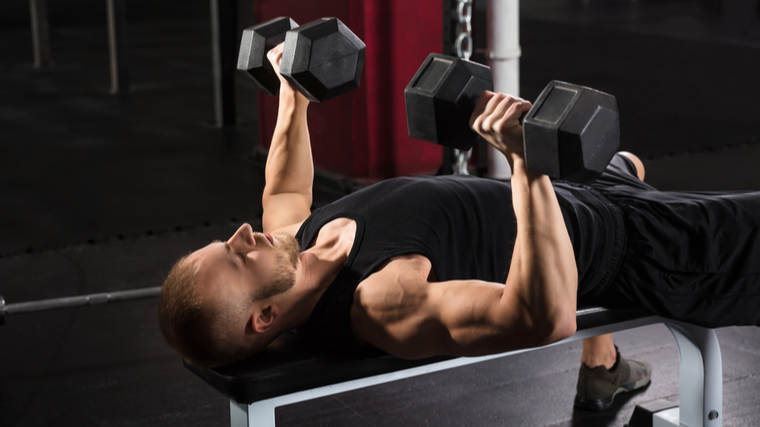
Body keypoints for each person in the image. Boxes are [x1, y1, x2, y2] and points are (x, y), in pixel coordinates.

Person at [158, 44, 760, 412]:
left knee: (629, 162)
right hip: (632, 249)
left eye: (226, 242)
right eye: (237, 258)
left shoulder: (299, 244)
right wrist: (524, 166)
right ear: (262, 319)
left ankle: (602, 369)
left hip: (585, 194)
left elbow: (284, 191)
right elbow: (542, 318)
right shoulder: (379, 302)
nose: (241, 233)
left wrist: (293, 95)